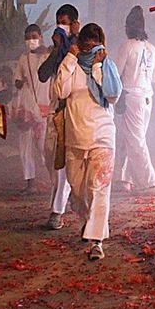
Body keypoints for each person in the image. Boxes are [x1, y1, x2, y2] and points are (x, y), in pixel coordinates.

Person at [51, 22, 121, 261]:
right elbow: (60, 91)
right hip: (75, 138)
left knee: (99, 189)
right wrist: (70, 59)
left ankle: (96, 240)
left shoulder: (106, 65)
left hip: (102, 136)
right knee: (79, 190)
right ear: (79, 44)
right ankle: (86, 221)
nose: (91, 47)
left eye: (96, 42)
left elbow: (112, 95)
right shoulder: (72, 65)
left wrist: (99, 66)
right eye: (86, 43)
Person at [39, 4, 79, 229]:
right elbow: (43, 75)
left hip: (71, 113)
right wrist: (56, 49)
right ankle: (69, 191)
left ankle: (57, 210)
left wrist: (74, 41)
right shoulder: (55, 49)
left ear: (74, 23)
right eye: (58, 22)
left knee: (60, 163)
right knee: (49, 156)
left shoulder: (80, 48)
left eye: (64, 22)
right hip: (53, 112)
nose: (60, 27)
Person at [115, 6, 155, 195]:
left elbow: (116, 72)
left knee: (135, 141)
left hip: (131, 96)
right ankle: (124, 179)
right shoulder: (152, 49)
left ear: (128, 27)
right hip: (146, 97)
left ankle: (149, 183)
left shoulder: (127, 46)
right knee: (132, 138)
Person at [12, 23, 51, 194]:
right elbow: (17, 81)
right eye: (28, 38)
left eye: (34, 37)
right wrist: (21, 82)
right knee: (25, 147)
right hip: (27, 108)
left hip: (45, 107)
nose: (31, 41)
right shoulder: (23, 59)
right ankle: (30, 183)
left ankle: (56, 180)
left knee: (45, 147)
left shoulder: (49, 55)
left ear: (41, 36)